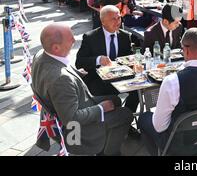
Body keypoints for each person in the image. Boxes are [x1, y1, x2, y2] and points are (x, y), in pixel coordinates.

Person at [32, 23, 133, 155]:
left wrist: (76, 74)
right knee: (125, 114)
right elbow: (72, 119)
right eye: (70, 39)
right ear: (56, 47)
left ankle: (109, 135)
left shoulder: (40, 55)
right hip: (77, 131)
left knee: (115, 100)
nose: (74, 40)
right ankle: (107, 151)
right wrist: (101, 108)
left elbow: (59, 69)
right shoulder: (61, 79)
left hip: (73, 104)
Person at [138, 28, 197, 155]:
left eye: (182, 50)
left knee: (144, 118)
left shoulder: (172, 81)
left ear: (187, 50)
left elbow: (159, 127)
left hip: (179, 146)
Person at [75, 5, 139, 113]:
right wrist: (98, 59)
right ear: (103, 21)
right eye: (113, 19)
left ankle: (127, 117)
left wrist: (135, 61)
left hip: (122, 76)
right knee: (107, 98)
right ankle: (110, 121)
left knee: (138, 91)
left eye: (119, 18)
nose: (117, 21)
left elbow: (129, 57)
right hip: (99, 80)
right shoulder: (90, 37)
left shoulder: (125, 36)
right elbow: (79, 62)